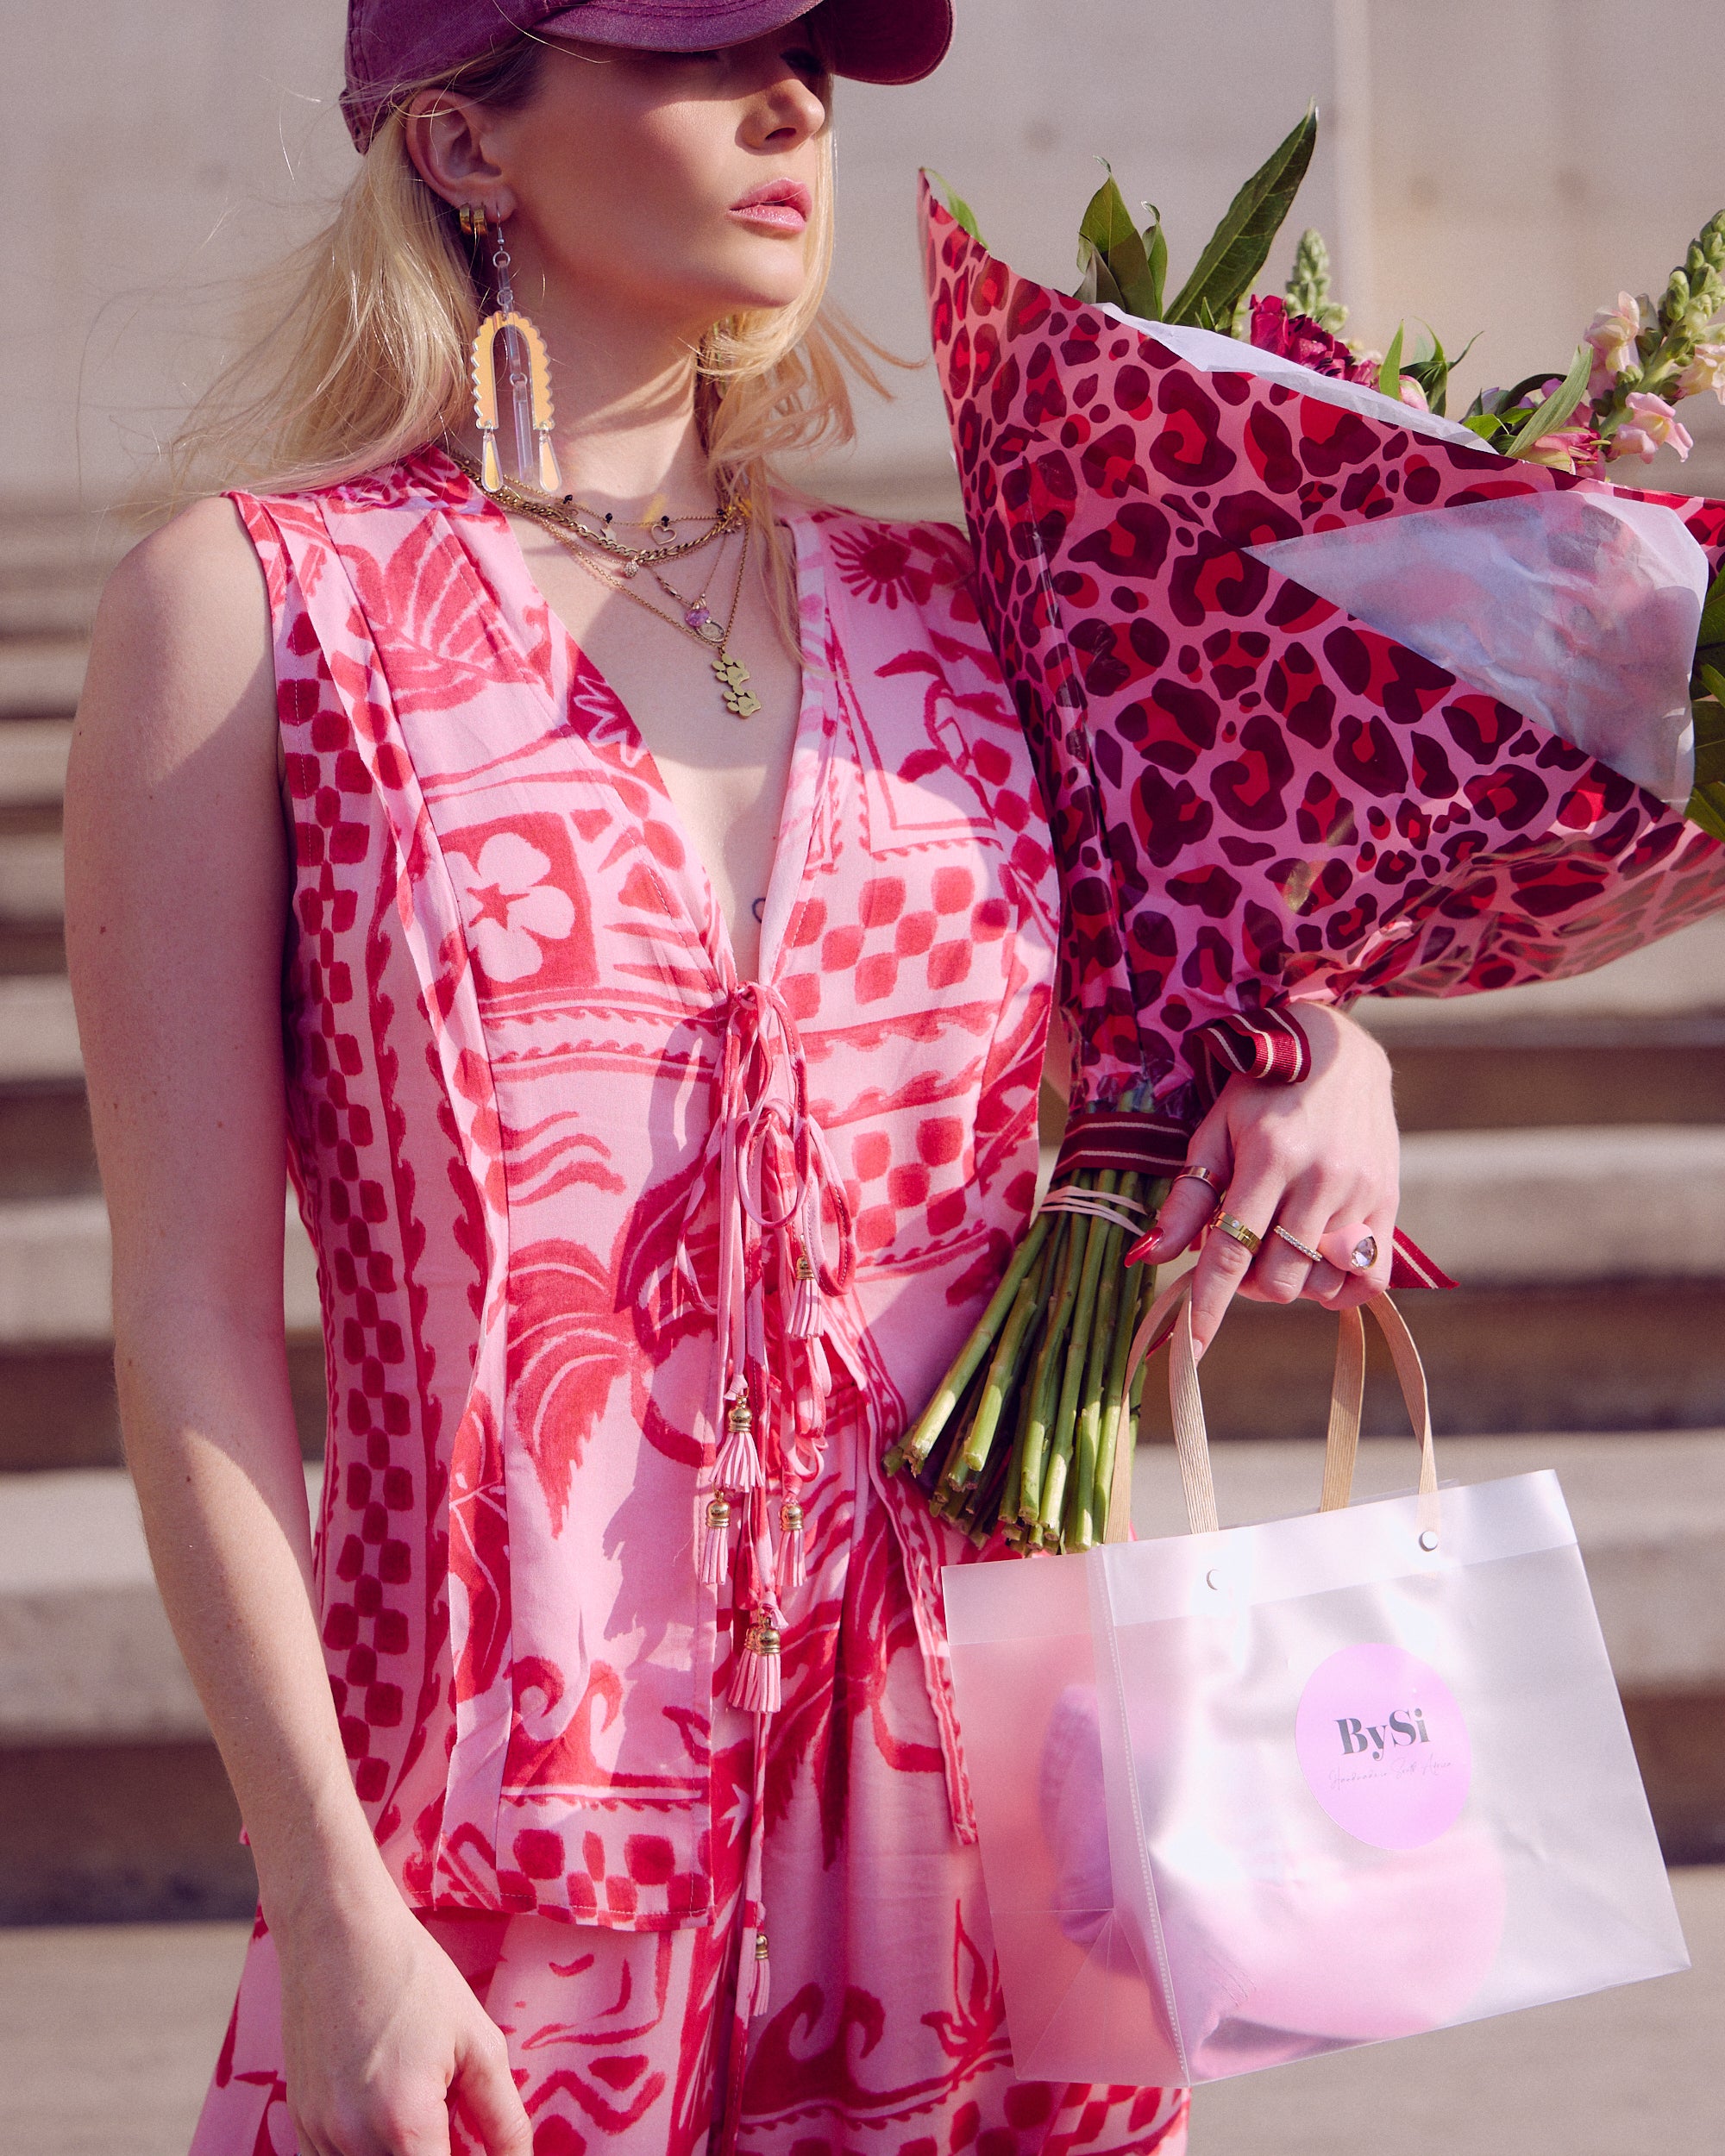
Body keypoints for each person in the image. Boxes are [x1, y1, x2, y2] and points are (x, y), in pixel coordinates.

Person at [65, 3, 1403, 2150]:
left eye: (812, 53)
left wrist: (1326, 1050)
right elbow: (192, 1316)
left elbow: (1192, 1008)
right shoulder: (249, 614)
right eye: (695, 49)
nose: (792, 100)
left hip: (982, 1831)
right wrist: (324, 1893)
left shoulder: (968, 615)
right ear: (461, 144)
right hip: (508, 1836)